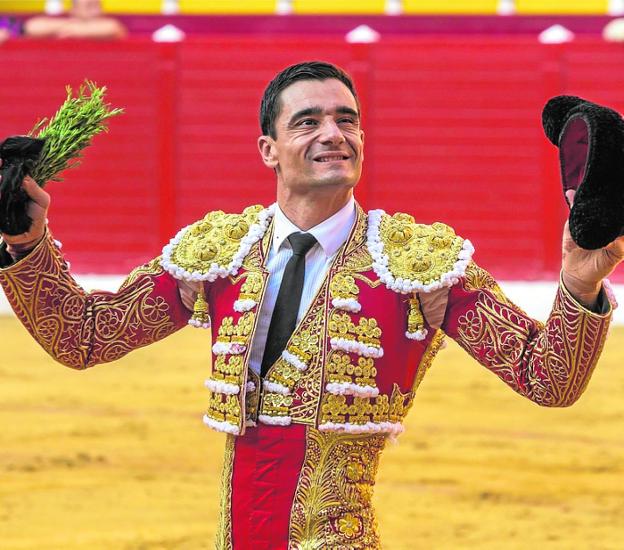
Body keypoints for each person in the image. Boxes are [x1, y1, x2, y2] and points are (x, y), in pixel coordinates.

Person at [0, 61, 622, 549]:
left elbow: (548, 379)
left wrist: (579, 283)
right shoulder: (218, 253)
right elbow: (82, 337)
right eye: (307, 122)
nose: (333, 134)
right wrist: (26, 243)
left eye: (347, 120)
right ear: (268, 149)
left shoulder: (416, 264)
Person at [23, 0, 126, 40]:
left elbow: (112, 28)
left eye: (95, 5)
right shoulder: (67, 25)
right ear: (73, 10)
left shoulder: (110, 26)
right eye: (89, 7)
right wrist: (73, 25)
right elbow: (31, 27)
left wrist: (77, 31)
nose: (95, 11)